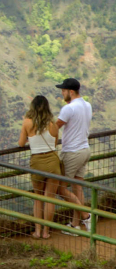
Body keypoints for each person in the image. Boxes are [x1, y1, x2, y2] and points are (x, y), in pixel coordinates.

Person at [19, 95, 61, 239]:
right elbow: (54, 143)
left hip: (37, 162)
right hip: (52, 161)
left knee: (38, 198)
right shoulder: (52, 124)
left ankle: (37, 231)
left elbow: (21, 143)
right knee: (49, 198)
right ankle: (46, 232)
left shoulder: (27, 123)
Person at [55, 77, 93, 231]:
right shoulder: (87, 105)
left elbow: (55, 127)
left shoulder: (68, 108)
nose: (62, 94)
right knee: (77, 188)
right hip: (85, 150)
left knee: (60, 189)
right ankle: (75, 225)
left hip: (72, 152)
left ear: (71, 92)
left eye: (63, 91)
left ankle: (87, 216)